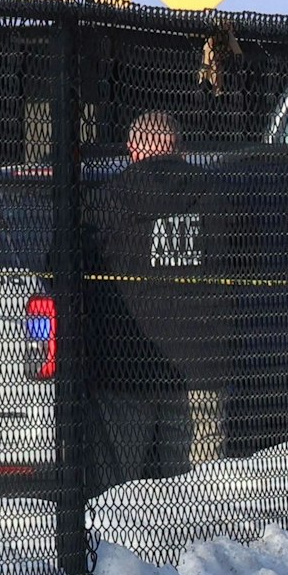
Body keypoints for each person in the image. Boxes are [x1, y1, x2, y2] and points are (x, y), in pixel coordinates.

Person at [82, 111, 226, 488]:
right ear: (180, 147)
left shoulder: (104, 203)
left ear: (133, 149)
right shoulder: (217, 197)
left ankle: (116, 530)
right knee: (200, 488)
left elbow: (66, 265)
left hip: (125, 362)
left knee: (117, 488)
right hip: (199, 364)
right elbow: (248, 259)